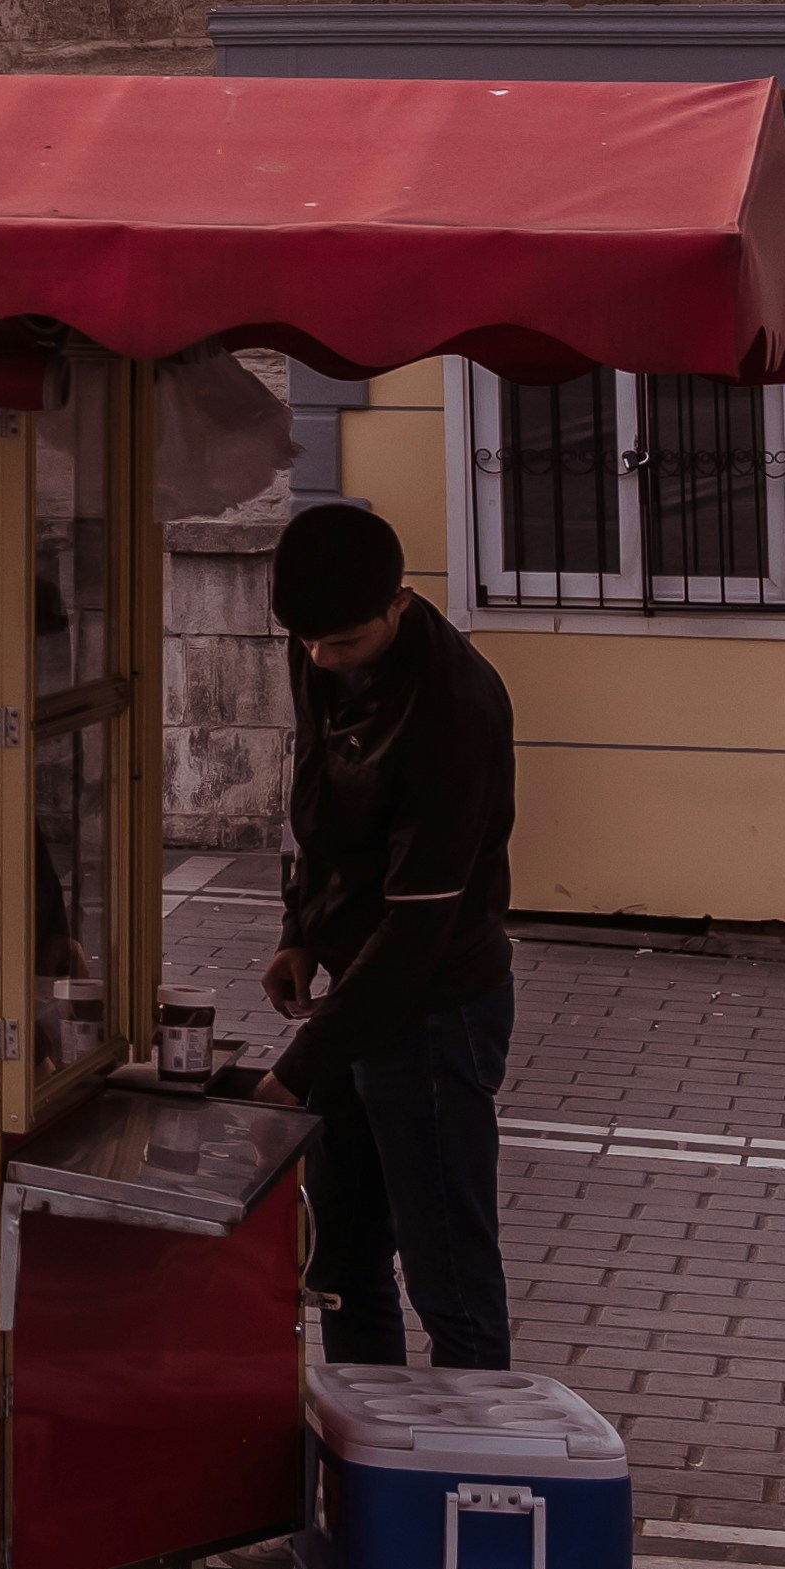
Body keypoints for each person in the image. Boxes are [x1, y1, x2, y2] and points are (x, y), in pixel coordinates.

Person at [268, 493, 518, 1369]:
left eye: (344, 643)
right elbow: (312, 797)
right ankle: (363, 1466)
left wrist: (293, 1072)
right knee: (341, 1261)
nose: (322, 660)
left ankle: (471, 1470)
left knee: (449, 1278)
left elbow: (416, 932)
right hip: (357, 994)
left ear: (398, 605)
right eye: (307, 643)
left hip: (436, 1005)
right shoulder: (320, 648)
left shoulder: (454, 713)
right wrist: (298, 926)